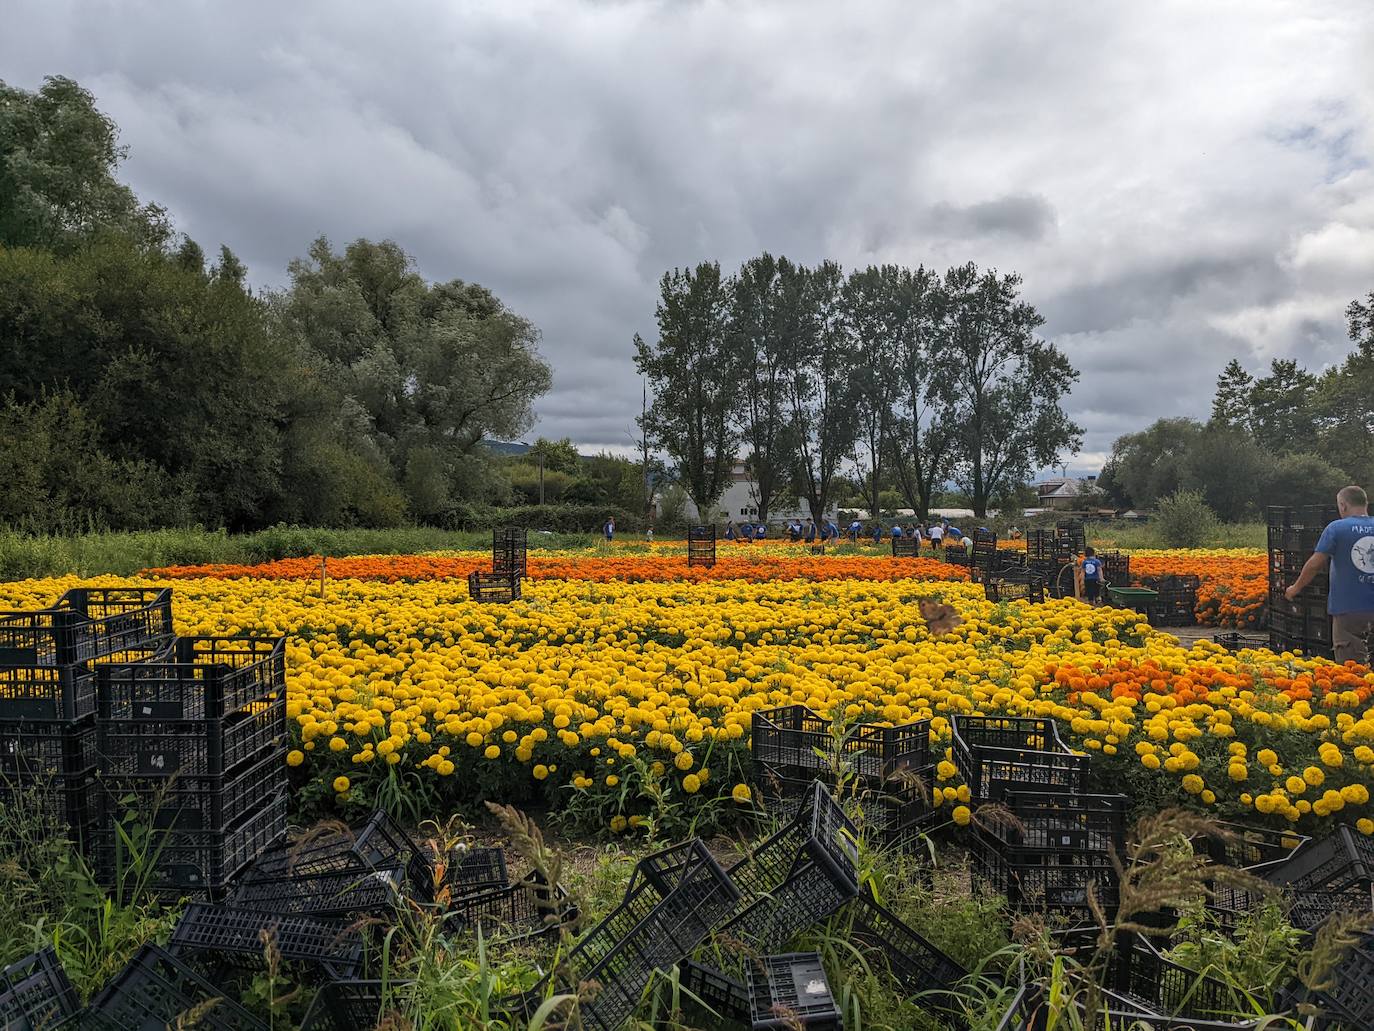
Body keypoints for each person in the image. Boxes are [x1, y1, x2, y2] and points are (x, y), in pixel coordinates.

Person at [1285, 486, 1374, 664]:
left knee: (1353, 670)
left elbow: (1315, 564)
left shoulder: (1336, 528)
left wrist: (1295, 588)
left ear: (1343, 505)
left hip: (1349, 610)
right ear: (1366, 504)